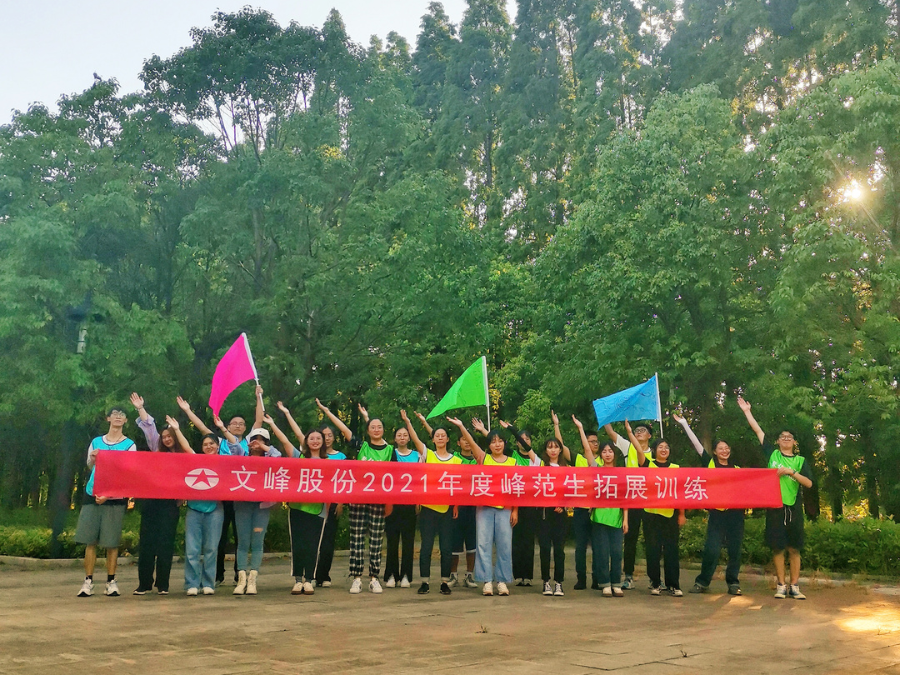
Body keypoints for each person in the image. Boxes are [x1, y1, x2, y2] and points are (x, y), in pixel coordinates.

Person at [177, 388, 264, 586]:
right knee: (219, 537)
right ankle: (216, 576)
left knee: (241, 536)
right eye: (234, 423)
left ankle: (239, 575)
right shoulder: (219, 443)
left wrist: (258, 396)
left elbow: (259, 421)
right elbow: (202, 428)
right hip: (219, 497)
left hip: (242, 495)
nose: (238, 426)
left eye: (242, 424)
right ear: (228, 425)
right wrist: (188, 411)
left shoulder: (249, 443)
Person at [738, 397, 814, 600]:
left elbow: (809, 483)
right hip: (774, 507)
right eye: (782, 437)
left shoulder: (800, 460)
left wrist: (791, 472)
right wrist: (747, 411)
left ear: (795, 442)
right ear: (778, 441)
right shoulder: (772, 455)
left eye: (790, 437)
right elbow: (758, 431)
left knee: (794, 549)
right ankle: (781, 584)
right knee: (778, 548)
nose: (786, 439)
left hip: (794, 509)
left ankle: (794, 585)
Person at [317, 399, 392, 594]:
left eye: (379, 427)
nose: (376, 429)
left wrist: (389, 502)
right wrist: (327, 411)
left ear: (383, 430)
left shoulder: (390, 451)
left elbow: (395, 478)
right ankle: (357, 577)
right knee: (356, 538)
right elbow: (343, 429)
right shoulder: (361, 446)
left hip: (378, 501)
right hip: (358, 499)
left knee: (376, 540)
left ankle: (374, 577)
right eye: (372, 427)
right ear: (368, 431)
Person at [674, 413, 747, 596]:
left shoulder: (737, 470)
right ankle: (703, 582)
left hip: (736, 515)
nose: (724, 450)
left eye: (727, 448)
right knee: (712, 550)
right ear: (714, 452)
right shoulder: (710, 464)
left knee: (735, 551)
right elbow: (697, 446)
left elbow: (749, 488)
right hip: (716, 514)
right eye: (720, 448)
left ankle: (733, 583)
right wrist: (684, 424)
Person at [170, 419, 242, 596]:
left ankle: (209, 582)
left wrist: (223, 428)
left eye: (212, 443)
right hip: (194, 509)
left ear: (218, 446)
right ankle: (192, 584)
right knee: (192, 550)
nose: (208, 446)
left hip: (215, 509)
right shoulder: (197, 460)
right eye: (205, 444)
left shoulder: (225, 462)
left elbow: (237, 447)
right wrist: (177, 429)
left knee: (211, 548)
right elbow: (186, 447)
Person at [448, 417, 518, 597]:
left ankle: (501, 581)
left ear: (504, 443)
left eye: (500, 441)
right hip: (484, 509)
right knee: (483, 544)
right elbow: (471, 442)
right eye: (493, 442)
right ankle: (487, 581)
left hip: (505, 509)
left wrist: (515, 510)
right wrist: (462, 426)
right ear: (488, 445)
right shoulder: (484, 458)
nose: (497, 444)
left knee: (504, 545)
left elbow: (516, 488)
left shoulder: (512, 462)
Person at [75, 406, 137, 598]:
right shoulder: (96, 441)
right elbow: (90, 466)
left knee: (111, 542)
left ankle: (111, 581)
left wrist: (109, 494)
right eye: (115, 414)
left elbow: (128, 473)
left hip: (115, 498)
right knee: (90, 541)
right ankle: (88, 582)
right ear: (108, 418)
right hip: (92, 494)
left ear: (126, 421)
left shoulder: (130, 445)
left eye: (122, 415)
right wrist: (93, 459)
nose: (118, 417)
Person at [130, 392, 186, 596]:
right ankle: (144, 583)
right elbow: (150, 428)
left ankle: (163, 584)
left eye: (170, 436)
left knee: (165, 544)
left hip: (170, 505)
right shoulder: (157, 450)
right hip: (151, 502)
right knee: (146, 543)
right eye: (164, 437)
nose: (167, 439)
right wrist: (140, 408)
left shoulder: (183, 456)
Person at [404, 412, 461, 595]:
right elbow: (415, 439)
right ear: (433, 439)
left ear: (448, 439)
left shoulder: (456, 460)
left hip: (446, 509)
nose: (440, 437)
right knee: (426, 547)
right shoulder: (428, 454)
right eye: (437, 435)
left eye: (443, 435)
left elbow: (459, 486)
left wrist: (456, 506)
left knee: (446, 547)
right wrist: (408, 422)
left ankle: (444, 581)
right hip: (428, 508)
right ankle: (425, 582)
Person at [626, 420, 684, 597]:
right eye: (660, 447)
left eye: (666, 447)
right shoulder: (648, 465)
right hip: (651, 515)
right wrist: (630, 433)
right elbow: (638, 449)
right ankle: (656, 583)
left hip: (670, 515)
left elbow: (680, 493)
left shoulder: (676, 468)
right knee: (653, 550)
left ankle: (673, 585)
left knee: (671, 550)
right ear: (654, 450)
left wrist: (682, 514)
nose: (664, 450)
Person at [575, 416, 627, 597]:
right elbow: (587, 450)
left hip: (617, 518)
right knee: (602, 553)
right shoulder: (596, 469)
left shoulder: (621, 473)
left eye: (610, 451)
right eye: (604, 451)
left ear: (614, 454)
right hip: (598, 518)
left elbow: (625, 499)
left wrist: (626, 520)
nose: (607, 454)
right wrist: (581, 428)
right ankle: (605, 583)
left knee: (617, 552)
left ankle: (616, 583)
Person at [228, 423, 281, 596]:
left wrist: (263, 447)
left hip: (262, 506)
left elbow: (278, 456)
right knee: (243, 542)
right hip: (242, 505)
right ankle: (241, 578)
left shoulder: (270, 460)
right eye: (254, 439)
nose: (257, 443)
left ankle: (253, 579)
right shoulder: (242, 455)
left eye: (261, 440)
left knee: (257, 543)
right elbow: (233, 447)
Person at [493, 419, 544, 587]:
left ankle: (527, 576)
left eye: (527, 438)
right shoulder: (512, 456)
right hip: (513, 502)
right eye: (521, 439)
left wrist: (512, 429)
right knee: (515, 540)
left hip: (530, 504)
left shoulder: (535, 459)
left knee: (528, 541)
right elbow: (495, 445)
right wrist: (484, 431)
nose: (524, 441)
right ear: (516, 443)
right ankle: (517, 575)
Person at [603, 419, 654, 590]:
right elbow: (611, 433)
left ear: (649, 436)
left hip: (651, 502)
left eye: (642, 430)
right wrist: (607, 415)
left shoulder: (656, 452)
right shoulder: (628, 446)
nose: (638, 432)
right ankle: (628, 576)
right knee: (630, 539)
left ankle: (655, 578)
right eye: (636, 430)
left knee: (652, 540)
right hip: (632, 498)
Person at [554, 411, 595, 590]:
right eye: (591, 441)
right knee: (580, 547)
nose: (594, 444)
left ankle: (598, 579)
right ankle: (581, 578)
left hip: (597, 511)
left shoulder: (602, 462)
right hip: (579, 510)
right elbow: (560, 447)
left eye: (596, 442)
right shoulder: (578, 459)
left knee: (598, 547)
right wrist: (557, 425)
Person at [383, 414, 422, 589]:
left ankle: (406, 575)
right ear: (394, 438)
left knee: (408, 541)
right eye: (399, 435)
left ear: (409, 438)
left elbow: (420, 480)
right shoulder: (389, 453)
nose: (402, 437)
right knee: (392, 541)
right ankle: (391, 574)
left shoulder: (417, 456)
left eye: (405, 435)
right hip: (392, 503)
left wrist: (418, 500)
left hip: (410, 502)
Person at [313, 416, 346, 588]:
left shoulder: (341, 457)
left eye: (330, 435)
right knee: (314, 540)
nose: (327, 438)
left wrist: (340, 502)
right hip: (315, 503)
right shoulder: (314, 455)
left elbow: (344, 481)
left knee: (328, 542)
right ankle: (311, 574)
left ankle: (324, 575)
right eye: (323, 435)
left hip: (333, 503)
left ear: (334, 438)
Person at [536, 437, 569, 597]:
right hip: (544, 513)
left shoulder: (566, 467)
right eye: (550, 447)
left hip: (560, 514)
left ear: (560, 449)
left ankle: (559, 583)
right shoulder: (541, 466)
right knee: (544, 549)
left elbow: (570, 489)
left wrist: (562, 505)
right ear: (545, 450)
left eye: (556, 447)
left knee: (559, 550)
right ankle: (546, 581)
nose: (553, 450)